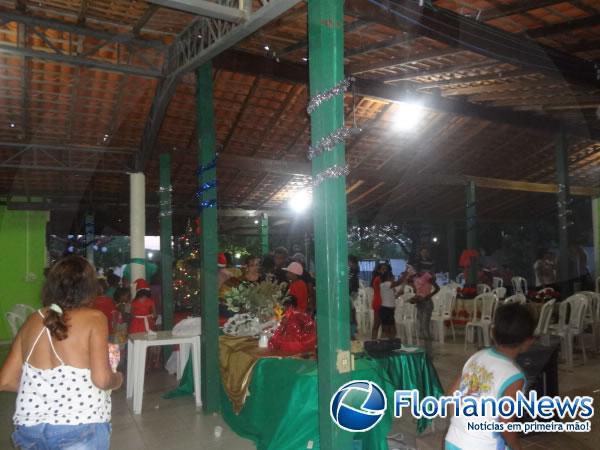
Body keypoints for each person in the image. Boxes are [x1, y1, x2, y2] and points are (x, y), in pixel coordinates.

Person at [0, 255, 122, 449]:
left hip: (30, 430)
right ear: (90, 287)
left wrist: (50, 390)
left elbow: (5, 381)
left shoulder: (33, 319)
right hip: (79, 426)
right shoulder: (94, 318)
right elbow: (101, 380)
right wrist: (117, 378)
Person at [445, 303, 536, 450]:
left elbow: (450, 397)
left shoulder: (477, 356)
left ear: (492, 333)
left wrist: (461, 425)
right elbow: (506, 426)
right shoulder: (514, 376)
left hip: (453, 440)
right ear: (528, 341)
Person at [410, 270, 439, 356]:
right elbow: (418, 291)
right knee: (420, 328)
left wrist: (428, 296)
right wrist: (414, 298)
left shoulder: (427, 275)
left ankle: (429, 352)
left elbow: (437, 288)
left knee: (425, 328)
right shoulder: (415, 277)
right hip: (419, 303)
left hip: (427, 303)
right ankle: (424, 349)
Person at [378, 269, 404, 339]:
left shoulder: (386, 286)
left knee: (391, 330)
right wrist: (406, 274)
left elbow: (393, 297)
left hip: (388, 310)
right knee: (387, 331)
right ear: (389, 277)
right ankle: (384, 345)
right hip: (386, 310)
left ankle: (389, 344)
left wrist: (399, 293)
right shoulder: (386, 284)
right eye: (393, 277)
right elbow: (399, 282)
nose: (394, 278)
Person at [370, 263, 386, 339]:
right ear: (379, 270)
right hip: (379, 303)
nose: (385, 271)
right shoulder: (379, 279)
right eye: (383, 269)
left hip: (383, 303)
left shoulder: (382, 279)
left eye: (386, 269)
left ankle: (380, 344)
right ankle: (373, 343)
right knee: (377, 325)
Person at [348, 255, 360, 338]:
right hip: (351, 292)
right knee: (352, 312)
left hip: (351, 292)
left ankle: (353, 331)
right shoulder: (351, 269)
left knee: (352, 312)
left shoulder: (353, 269)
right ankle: (353, 331)